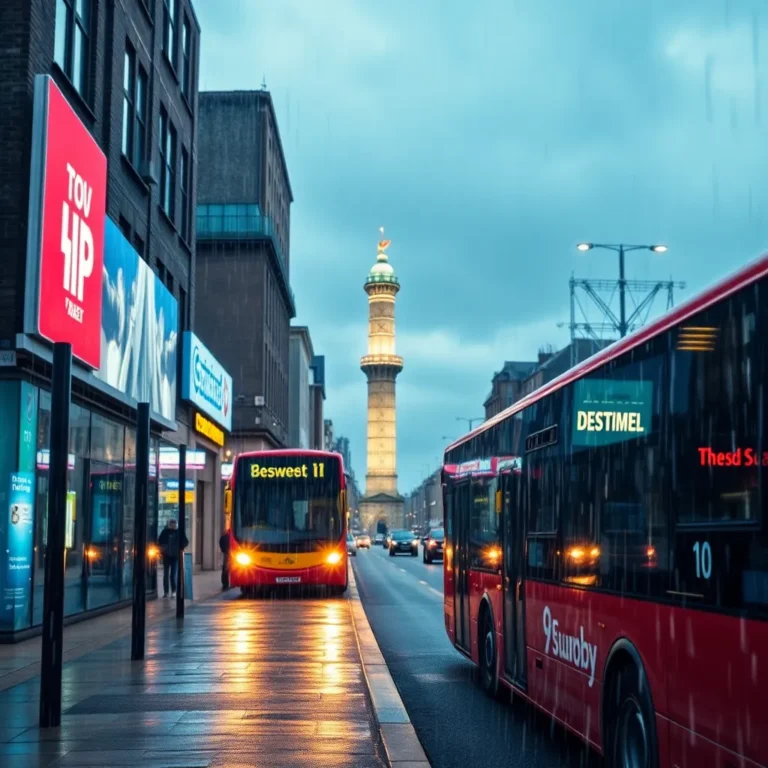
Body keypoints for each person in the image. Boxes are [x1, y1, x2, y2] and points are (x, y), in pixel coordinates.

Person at [158, 518, 188, 598]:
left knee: (173, 575)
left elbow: (185, 542)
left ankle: (173, 591)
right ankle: (166, 592)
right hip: (167, 556)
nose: (173, 525)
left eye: (174, 523)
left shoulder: (179, 532)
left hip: (175, 556)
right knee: (166, 575)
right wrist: (163, 549)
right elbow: (160, 542)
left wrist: (180, 548)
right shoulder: (165, 532)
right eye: (171, 523)